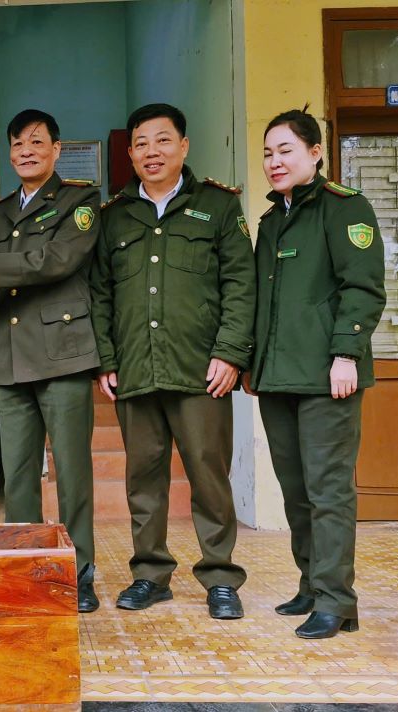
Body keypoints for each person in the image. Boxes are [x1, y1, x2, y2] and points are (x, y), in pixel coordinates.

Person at [90, 103, 256, 619]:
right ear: (131, 153)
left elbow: (240, 284)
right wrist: (106, 358)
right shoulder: (114, 215)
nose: (151, 152)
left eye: (162, 141)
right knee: (144, 476)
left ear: (183, 146)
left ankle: (220, 576)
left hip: (200, 370)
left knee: (209, 471)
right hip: (136, 368)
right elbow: (99, 293)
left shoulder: (218, 207)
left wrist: (230, 353)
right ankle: (150, 573)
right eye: (140, 143)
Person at [0, 109, 101, 612]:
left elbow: (58, 261)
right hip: (10, 358)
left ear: (56, 149)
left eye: (36, 142)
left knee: (72, 472)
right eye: (17, 144)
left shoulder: (81, 200)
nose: (26, 151)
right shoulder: (0, 211)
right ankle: (25, 566)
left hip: (64, 354)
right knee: (17, 475)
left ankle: (80, 572)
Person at [243, 107, 386, 639]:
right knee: (296, 490)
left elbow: (363, 286)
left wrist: (346, 354)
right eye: (267, 153)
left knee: (329, 491)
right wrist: (254, 364)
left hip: (329, 377)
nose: (274, 162)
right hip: (278, 378)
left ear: (315, 153)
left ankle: (336, 599)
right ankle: (311, 583)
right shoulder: (271, 219)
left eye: (285, 151)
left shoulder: (344, 209)